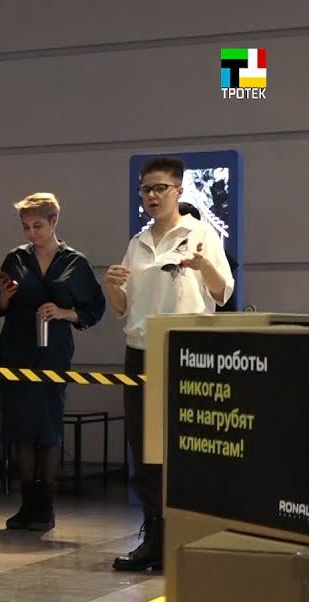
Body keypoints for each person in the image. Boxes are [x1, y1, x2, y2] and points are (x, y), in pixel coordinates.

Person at [103, 156, 233, 572]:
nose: (152, 196)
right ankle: (154, 536)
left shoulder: (201, 234)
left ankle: (187, 537)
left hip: (185, 351)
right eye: (146, 189)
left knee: (183, 446)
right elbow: (124, 308)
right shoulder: (138, 242)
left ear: (178, 190)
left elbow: (224, 293)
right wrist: (112, 287)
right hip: (140, 351)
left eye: (160, 188)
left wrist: (203, 265)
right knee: (143, 447)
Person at [0, 193, 105, 532]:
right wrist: (4, 297)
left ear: (55, 221)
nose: (32, 233)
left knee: (48, 427)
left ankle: (46, 506)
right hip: (16, 347)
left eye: (37, 226)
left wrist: (64, 312)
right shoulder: (15, 258)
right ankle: (27, 503)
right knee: (21, 428)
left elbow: (94, 309)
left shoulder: (74, 262)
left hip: (53, 350)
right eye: (26, 227)